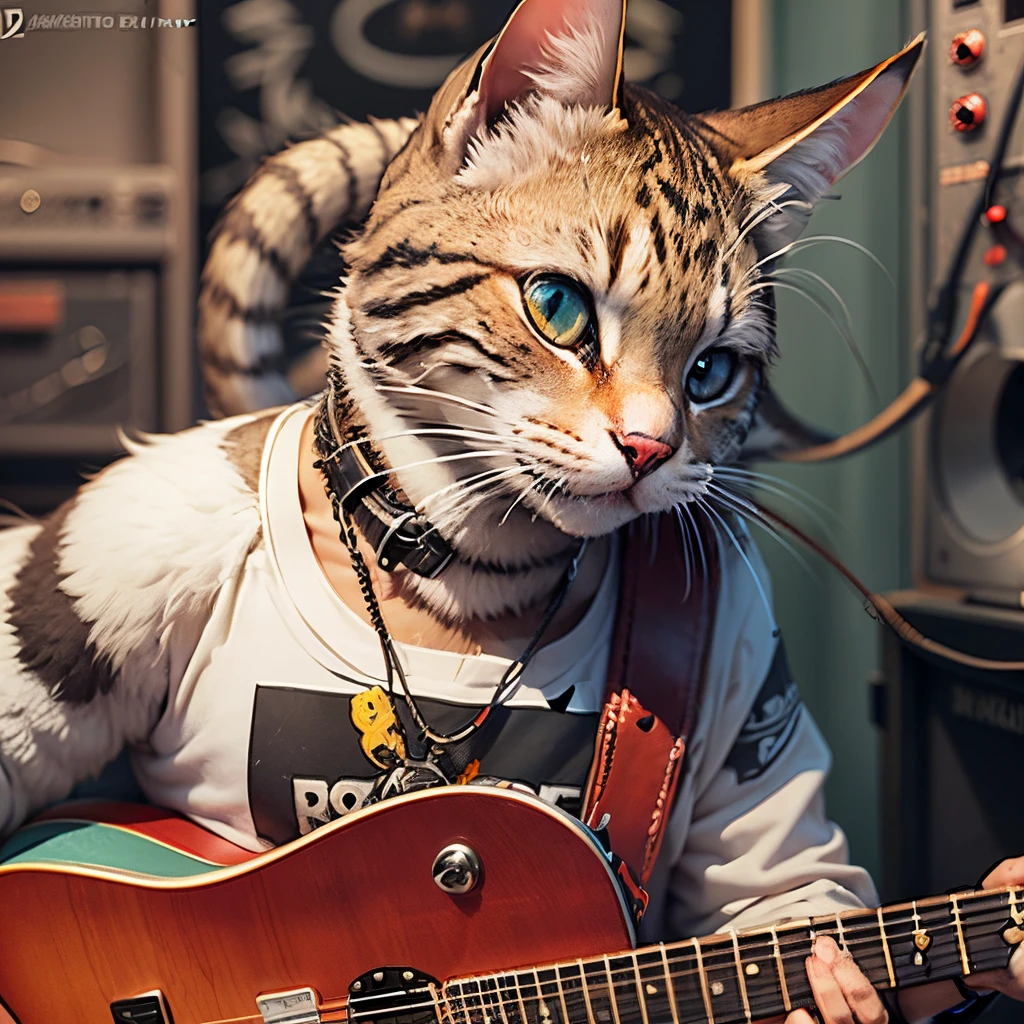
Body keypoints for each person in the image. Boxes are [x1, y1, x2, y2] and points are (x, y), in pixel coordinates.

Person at [1, 1, 1023, 1021]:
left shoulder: (700, 600)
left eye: (708, 365)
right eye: (564, 306)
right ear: (482, 132)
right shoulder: (177, 533)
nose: (647, 429)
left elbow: (784, 908)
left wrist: (908, 972)